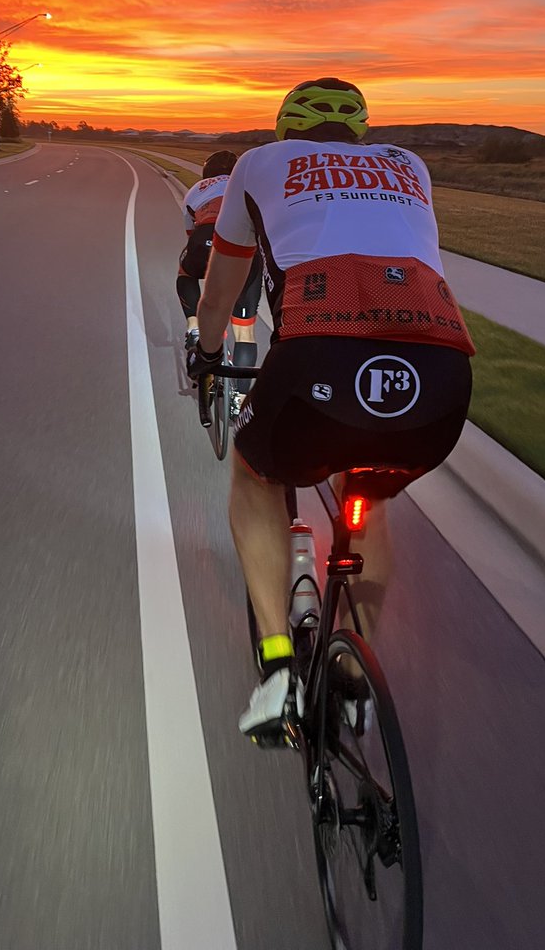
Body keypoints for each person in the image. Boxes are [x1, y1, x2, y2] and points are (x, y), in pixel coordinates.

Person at [186, 78, 474, 744]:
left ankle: (278, 666)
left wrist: (205, 354)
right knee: (366, 496)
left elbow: (217, 298)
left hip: (317, 361)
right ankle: (354, 676)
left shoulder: (257, 165)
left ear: (285, 127)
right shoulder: (411, 166)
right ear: (363, 132)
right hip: (440, 377)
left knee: (256, 478)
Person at [177, 150, 262, 409]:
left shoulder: (197, 188)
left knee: (186, 275)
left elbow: (190, 230)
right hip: (246, 250)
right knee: (245, 330)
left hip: (204, 238)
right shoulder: (250, 184)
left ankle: (195, 327)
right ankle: (241, 398)